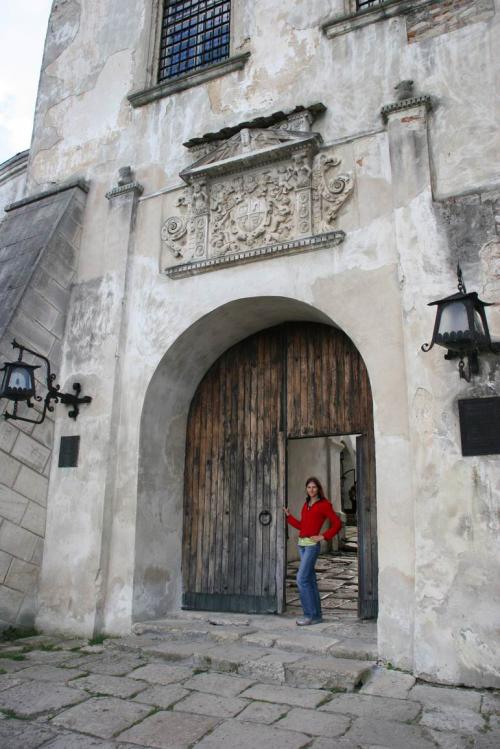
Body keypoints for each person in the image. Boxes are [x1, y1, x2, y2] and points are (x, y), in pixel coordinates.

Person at [283, 476, 342, 626]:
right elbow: (303, 526)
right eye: (309, 487)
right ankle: (316, 615)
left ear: (318, 489)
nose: (311, 490)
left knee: (301, 579)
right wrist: (289, 517)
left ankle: (309, 615)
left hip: (311, 546)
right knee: (310, 581)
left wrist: (323, 536)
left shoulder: (324, 505)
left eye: (314, 487)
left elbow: (337, 523)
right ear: (306, 489)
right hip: (301, 545)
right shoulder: (306, 504)